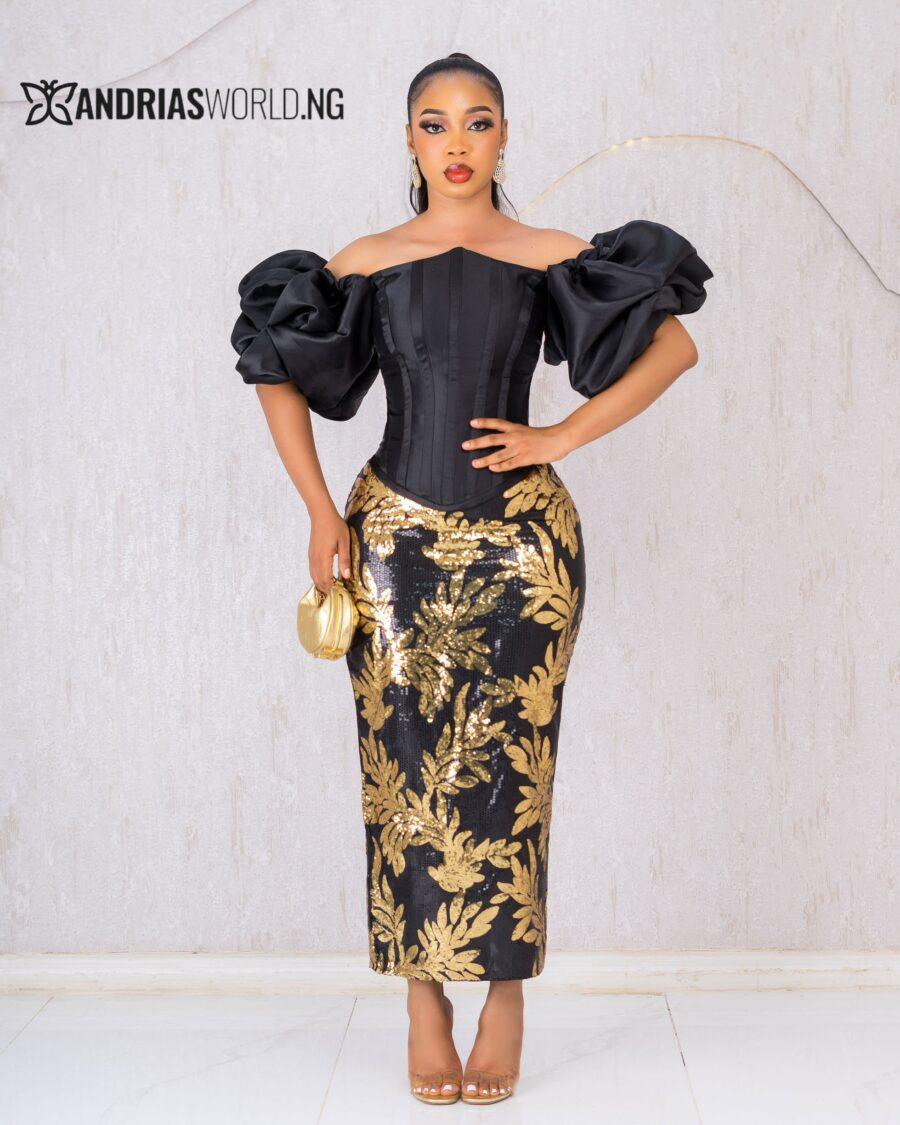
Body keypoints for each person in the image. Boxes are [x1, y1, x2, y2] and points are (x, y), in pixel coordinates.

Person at [230, 51, 712, 1107]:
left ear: (504, 136)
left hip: (525, 552)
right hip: (391, 547)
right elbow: (271, 364)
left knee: (511, 771)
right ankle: (421, 1000)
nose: (457, 142)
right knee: (402, 775)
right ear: (409, 140)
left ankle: (504, 995)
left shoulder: (550, 255)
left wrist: (560, 437)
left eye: (478, 120)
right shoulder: (367, 261)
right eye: (435, 123)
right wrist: (318, 511)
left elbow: (672, 349)